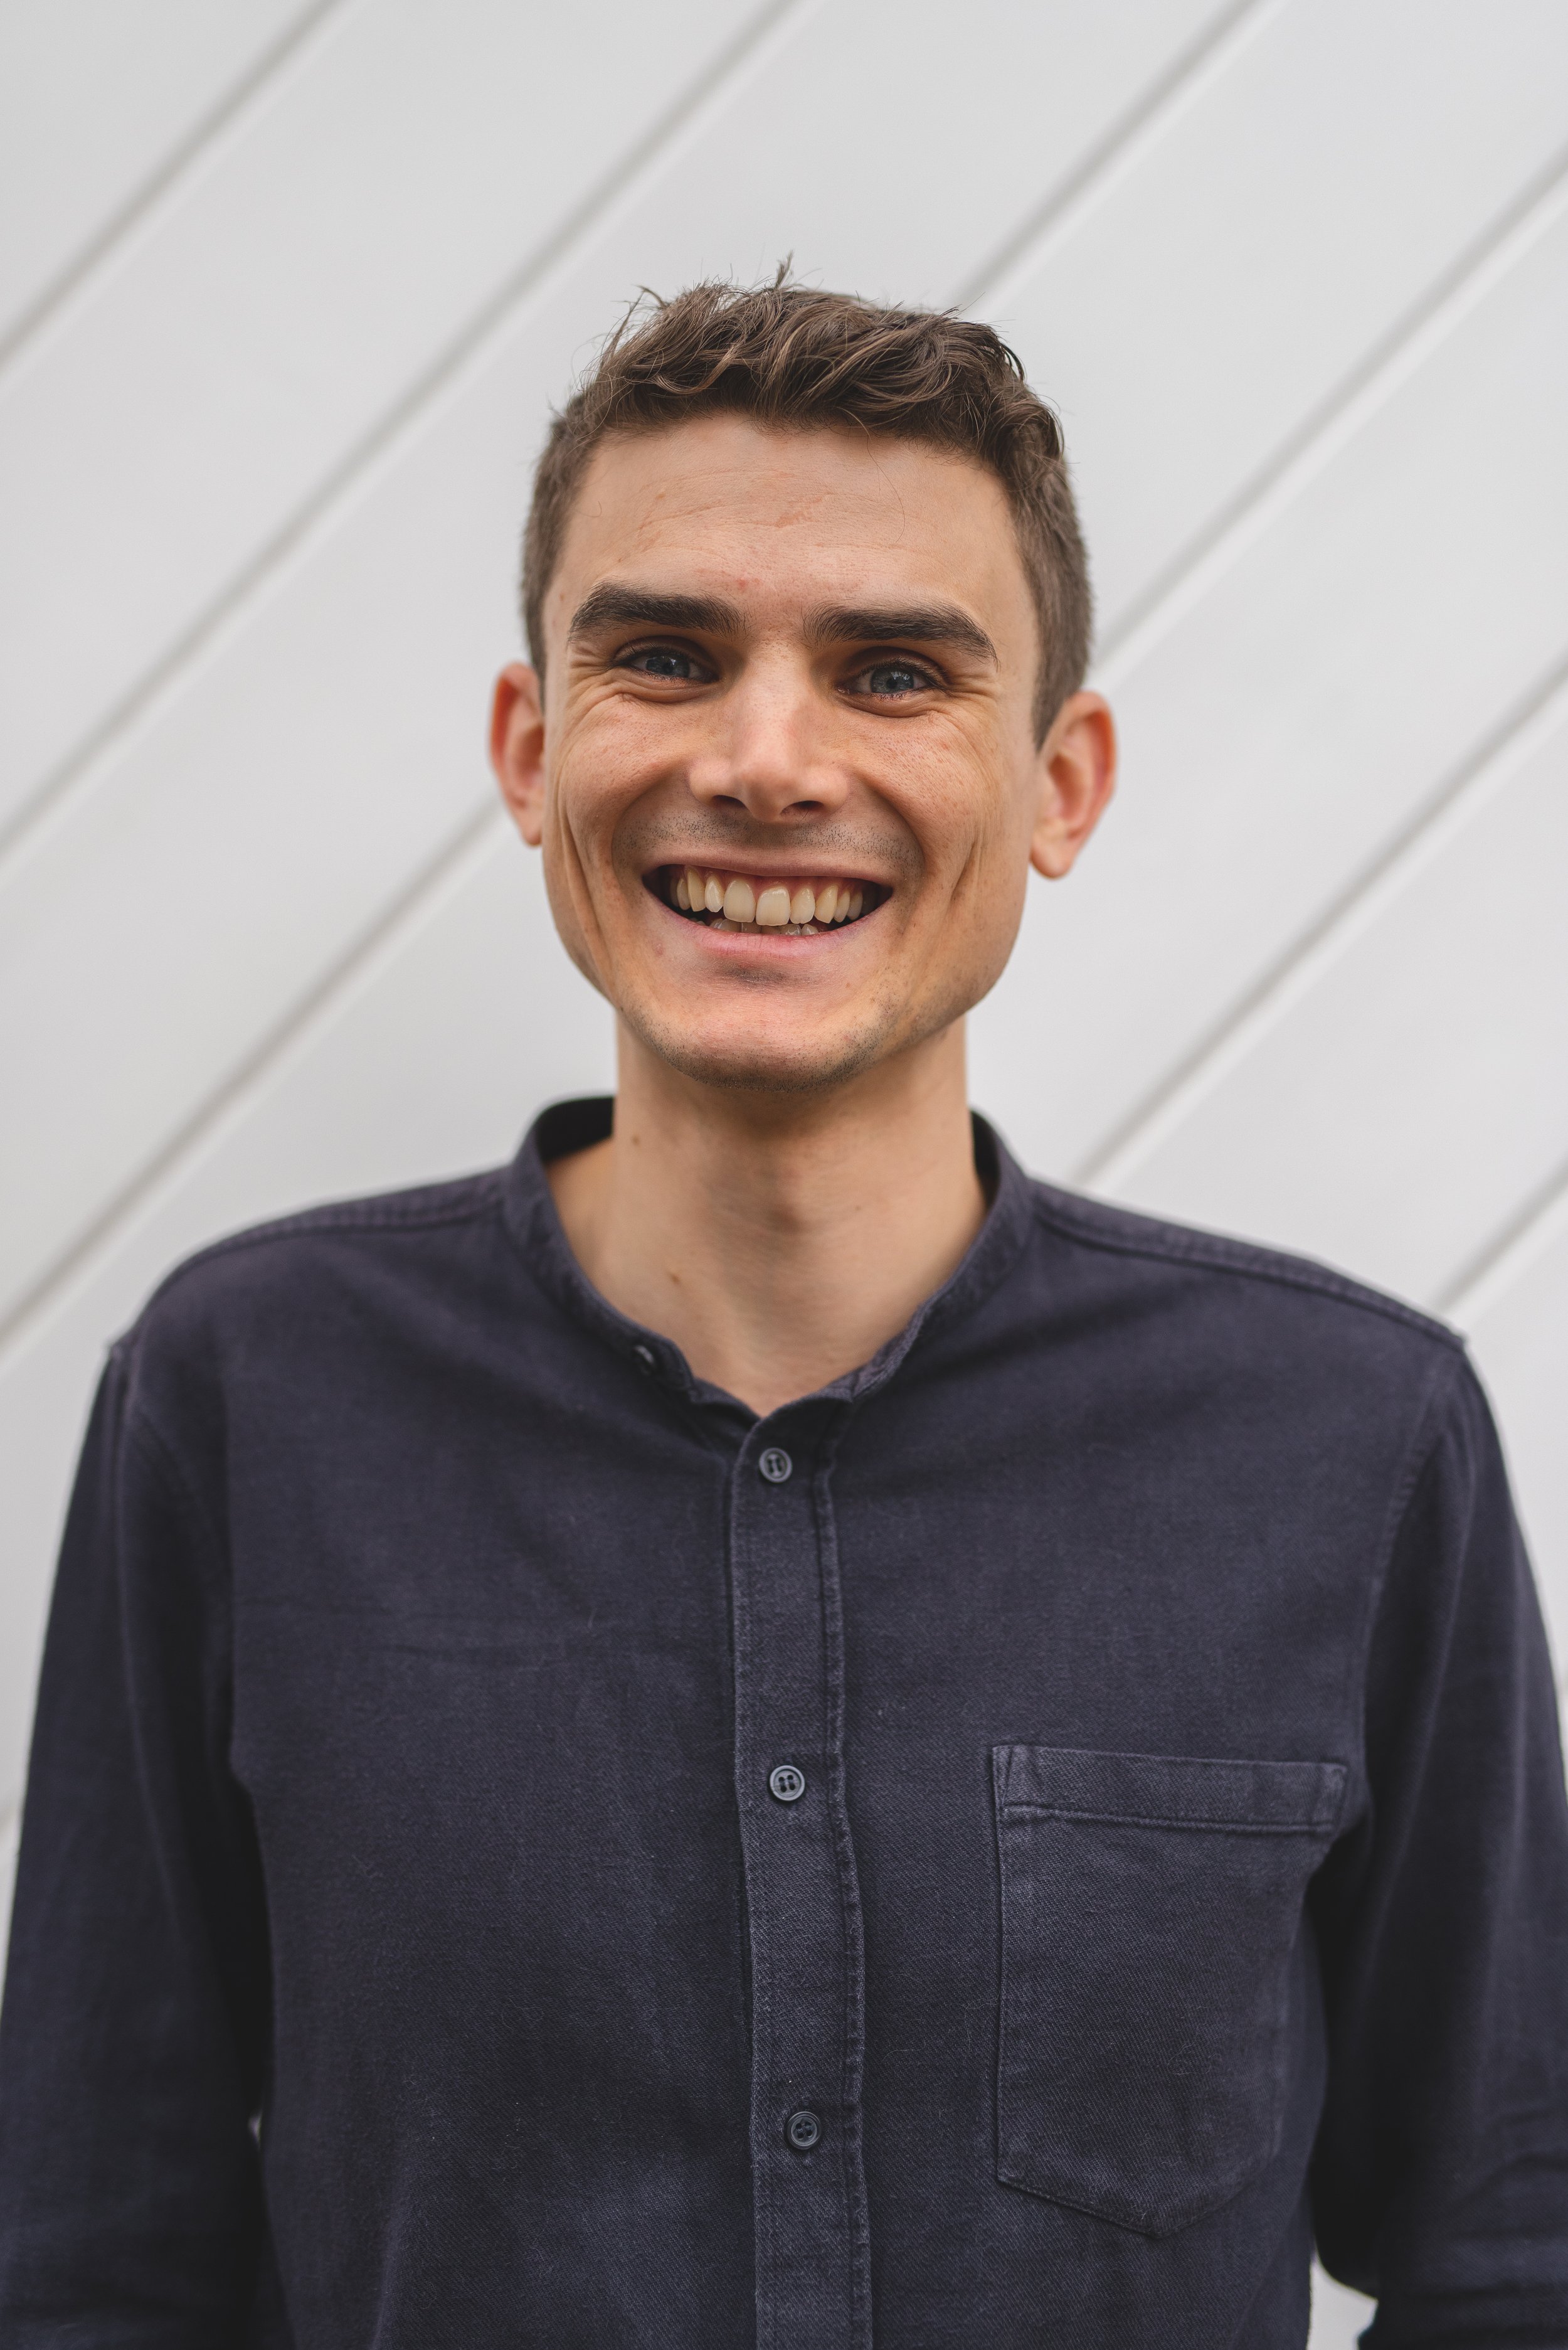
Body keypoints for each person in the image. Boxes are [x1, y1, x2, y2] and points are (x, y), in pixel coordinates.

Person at [1, 279, 1565, 2349]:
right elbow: (91, 2268)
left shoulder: (1351, 1442)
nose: (761, 761)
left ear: (1058, 785)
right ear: (529, 747)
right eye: (662, 655)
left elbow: (1511, 2253)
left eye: (892, 671)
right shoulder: (242, 1398)